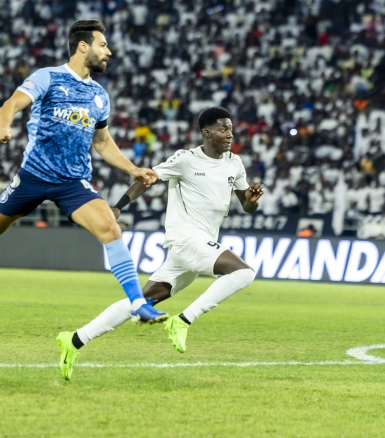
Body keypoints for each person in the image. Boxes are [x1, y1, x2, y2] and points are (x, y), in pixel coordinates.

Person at [0, 20, 167, 324]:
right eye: (103, 45)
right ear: (83, 46)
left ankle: (138, 303)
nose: (109, 52)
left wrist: (133, 169)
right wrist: (5, 126)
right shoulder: (48, 77)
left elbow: (102, 142)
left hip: (72, 182)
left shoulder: (100, 96)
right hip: (33, 175)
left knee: (111, 229)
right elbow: (10, 104)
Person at [55, 107, 266, 380]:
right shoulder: (186, 160)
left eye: (230, 128)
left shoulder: (234, 163)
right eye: (223, 128)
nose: (229, 133)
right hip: (187, 240)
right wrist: (118, 208)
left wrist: (251, 199)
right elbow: (147, 179)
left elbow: (246, 206)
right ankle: (183, 320)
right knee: (244, 272)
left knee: (140, 302)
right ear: (207, 133)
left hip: (196, 248)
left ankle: (73, 340)